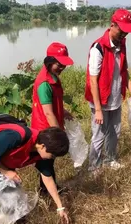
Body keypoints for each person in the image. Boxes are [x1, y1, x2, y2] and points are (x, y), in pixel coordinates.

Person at [0, 125, 70, 224]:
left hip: (0, 157)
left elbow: (47, 178)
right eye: (53, 155)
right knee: (9, 187)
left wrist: (60, 207)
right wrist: (6, 171)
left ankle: (16, 219)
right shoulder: (16, 136)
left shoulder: (41, 153)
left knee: (11, 185)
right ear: (43, 146)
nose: (53, 158)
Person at [85, 9, 131, 175]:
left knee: (115, 131)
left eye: (126, 32)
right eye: (121, 30)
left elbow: (124, 70)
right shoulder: (98, 48)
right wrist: (99, 110)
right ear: (112, 25)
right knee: (99, 135)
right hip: (100, 101)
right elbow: (92, 81)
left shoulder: (122, 44)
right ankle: (93, 166)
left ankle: (110, 160)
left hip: (115, 98)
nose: (124, 34)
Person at [31, 42, 74, 192]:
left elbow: (53, 102)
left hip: (50, 127)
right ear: (49, 62)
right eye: (59, 64)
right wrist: (59, 134)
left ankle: (48, 188)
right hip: (45, 129)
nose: (62, 68)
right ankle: (48, 190)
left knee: (49, 161)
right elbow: (48, 112)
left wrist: (64, 111)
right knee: (46, 162)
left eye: (64, 65)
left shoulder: (53, 76)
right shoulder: (44, 83)